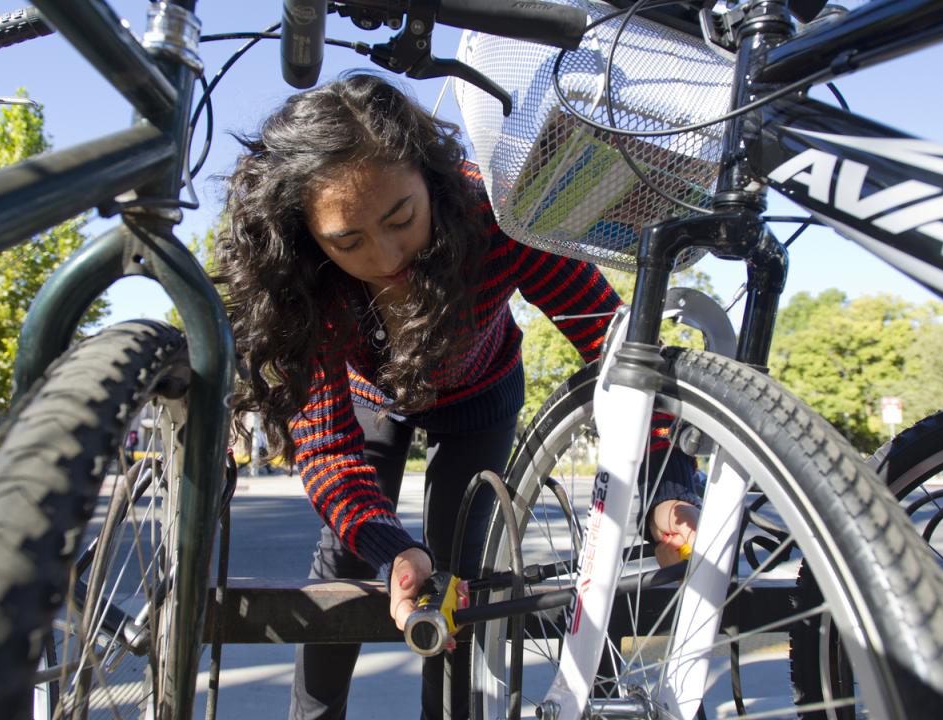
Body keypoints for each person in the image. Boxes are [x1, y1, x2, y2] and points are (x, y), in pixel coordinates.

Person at [216, 72, 700, 720]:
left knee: (457, 577)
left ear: (431, 180)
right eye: (348, 241)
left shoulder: (496, 215)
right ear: (310, 235)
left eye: (400, 219)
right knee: (349, 553)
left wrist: (671, 477)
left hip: (481, 393)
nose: (386, 256)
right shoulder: (307, 279)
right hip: (373, 400)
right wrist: (390, 547)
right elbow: (328, 449)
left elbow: (613, 346)